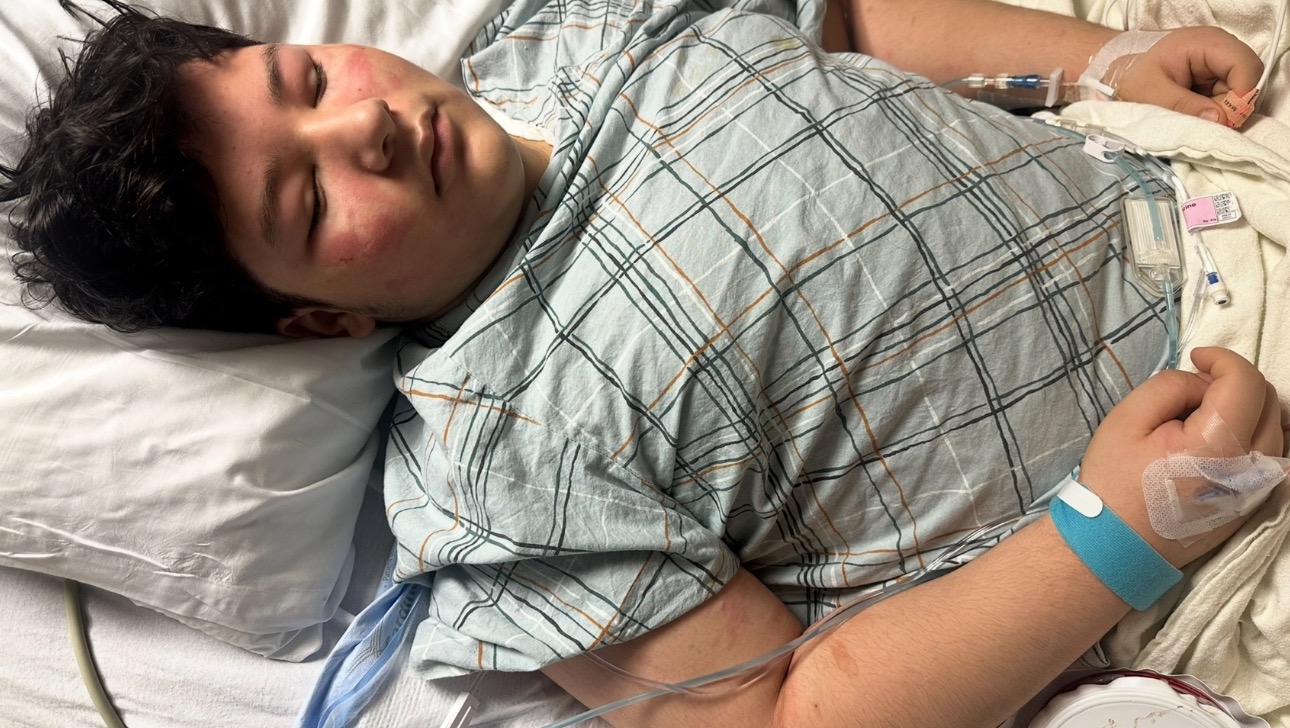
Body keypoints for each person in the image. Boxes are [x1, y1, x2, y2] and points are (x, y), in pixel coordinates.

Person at [0, 1, 1281, 726]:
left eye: (310, 78)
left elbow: (845, 21)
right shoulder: (496, 468)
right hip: (1215, 531)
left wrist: (1091, 61)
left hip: (1216, 186)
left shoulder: (566, 34)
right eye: (310, 198)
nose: (366, 124)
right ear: (319, 322)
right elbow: (774, 716)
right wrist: (1122, 531)